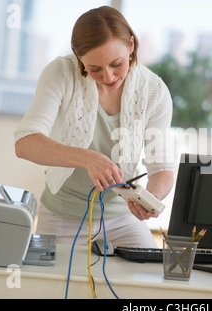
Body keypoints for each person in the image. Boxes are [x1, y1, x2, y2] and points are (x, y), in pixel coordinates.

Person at [14, 6, 175, 248]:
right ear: (79, 58)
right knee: (54, 285)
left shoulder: (154, 90)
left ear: (131, 46)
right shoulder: (60, 73)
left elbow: (161, 167)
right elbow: (25, 143)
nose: (108, 77)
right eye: (95, 69)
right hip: (63, 215)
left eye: (116, 63)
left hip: (123, 218)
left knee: (148, 279)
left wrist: (151, 199)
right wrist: (87, 158)